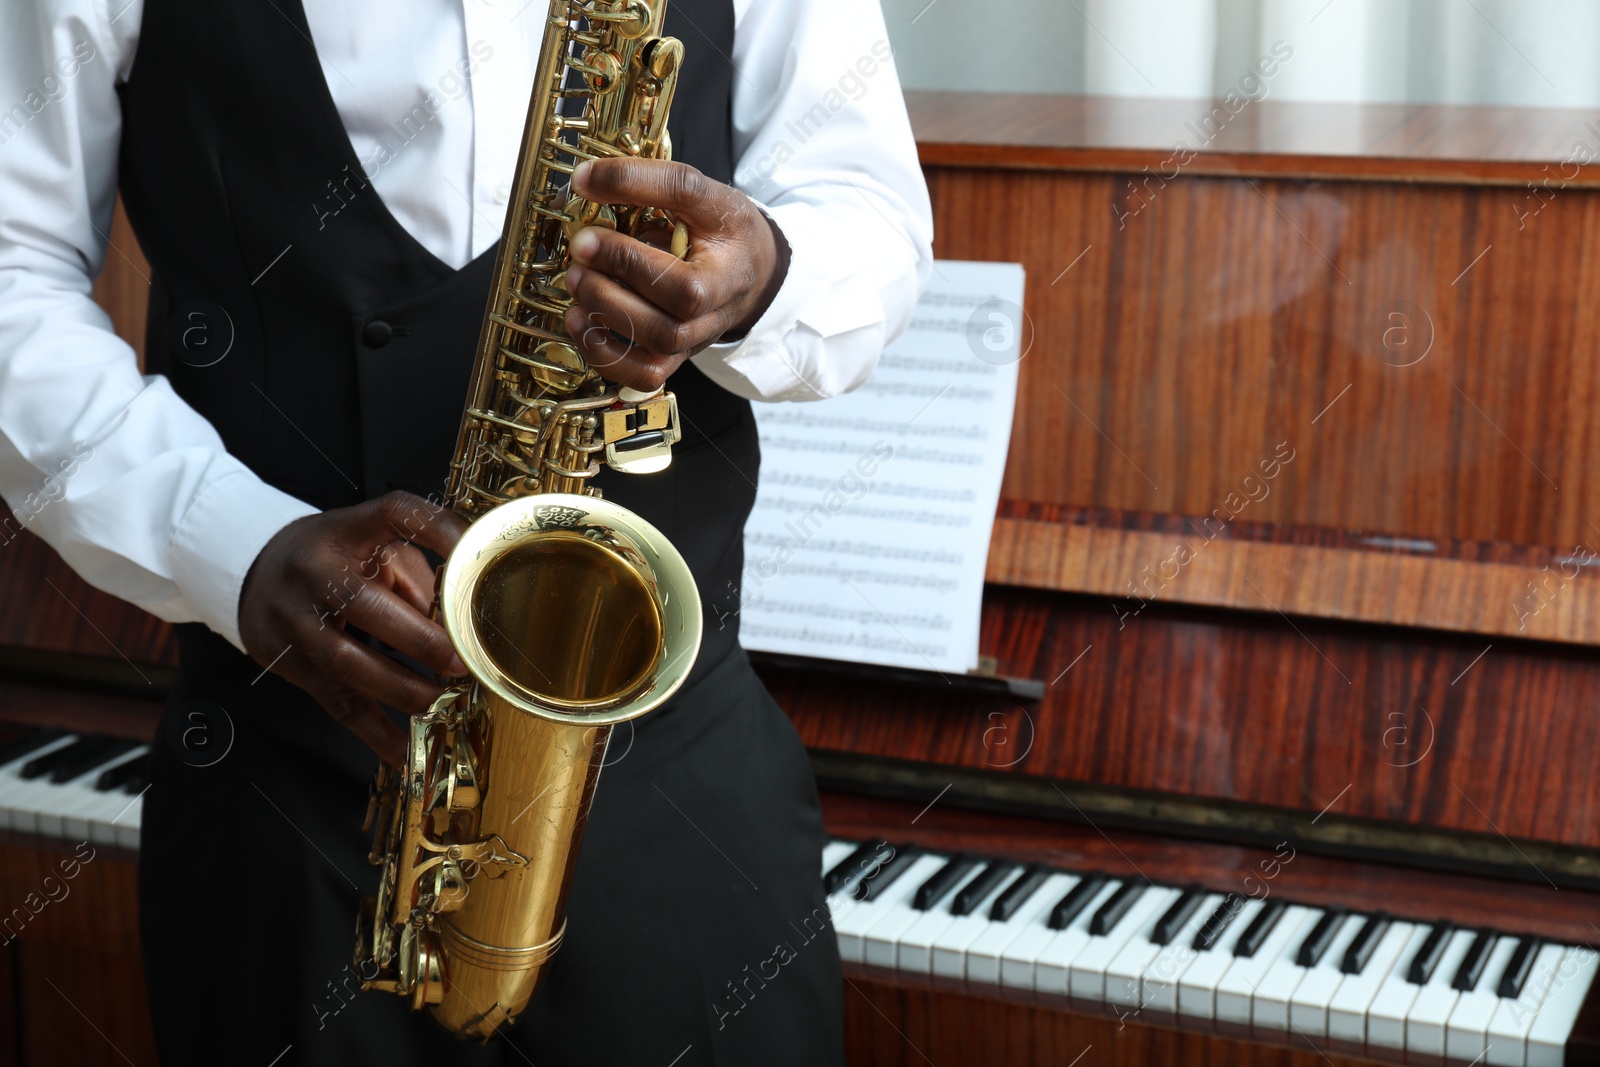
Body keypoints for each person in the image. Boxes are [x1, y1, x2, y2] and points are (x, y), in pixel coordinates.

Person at [0, 0, 932, 1064]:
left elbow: (872, 208)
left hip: (679, 795)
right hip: (285, 789)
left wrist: (763, 272)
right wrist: (232, 542)